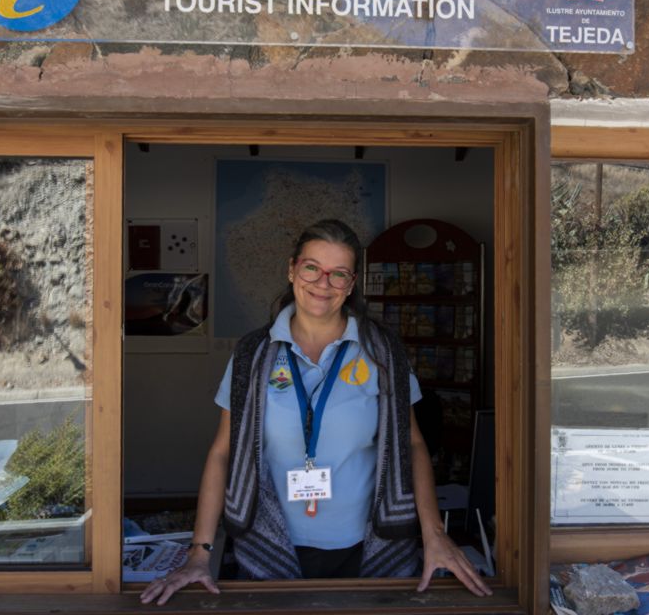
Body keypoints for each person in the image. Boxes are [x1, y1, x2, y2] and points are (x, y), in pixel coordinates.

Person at [141, 219, 491, 604]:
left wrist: (435, 536)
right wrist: (199, 552)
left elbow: (413, 444)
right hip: (269, 542)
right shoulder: (252, 356)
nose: (323, 284)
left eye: (338, 274)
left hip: (370, 544)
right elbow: (223, 452)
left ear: (352, 284)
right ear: (292, 269)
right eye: (312, 267)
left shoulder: (383, 352)